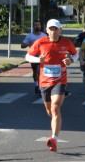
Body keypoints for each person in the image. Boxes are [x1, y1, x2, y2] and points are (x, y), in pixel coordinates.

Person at [25, 19, 79, 152]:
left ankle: (54, 138)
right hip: (44, 81)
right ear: (47, 30)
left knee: (55, 108)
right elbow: (28, 56)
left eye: (56, 29)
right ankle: (56, 123)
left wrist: (71, 60)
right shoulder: (41, 42)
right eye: (51, 29)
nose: (53, 31)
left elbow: (75, 54)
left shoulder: (66, 42)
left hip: (60, 80)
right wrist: (38, 60)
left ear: (60, 30)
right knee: (50, 111)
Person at [20, 21, 46, 97]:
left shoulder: (44, 36)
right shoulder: (29, 36)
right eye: (35, 25)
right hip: (34, 56)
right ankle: (36, 85)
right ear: (33, 26)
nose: (37, 26)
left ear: (40, 26)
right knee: (35, 72)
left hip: (42, 56)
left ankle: (40, 88)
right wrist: (27, 44)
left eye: (38, 24)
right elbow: (22, 45)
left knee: (40, 71)